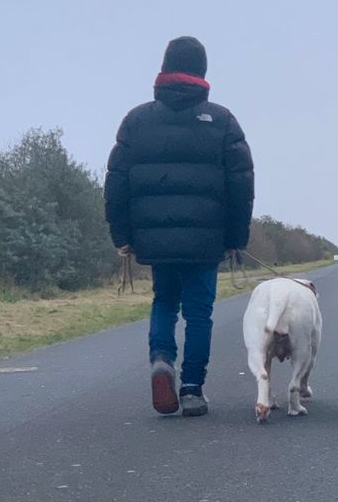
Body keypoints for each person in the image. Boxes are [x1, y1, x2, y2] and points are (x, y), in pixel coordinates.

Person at [104, 36, 254, 416]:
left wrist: (122, 235)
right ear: (202, 72)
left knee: (165, 301)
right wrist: (236, 238)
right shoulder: (222, 120)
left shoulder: (136, 120)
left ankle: (161, 360)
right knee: (199, 312)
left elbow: (116, 179)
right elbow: (241, 182)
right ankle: (191, 388)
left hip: (154, 239)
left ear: (165, 68)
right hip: (206, 240)